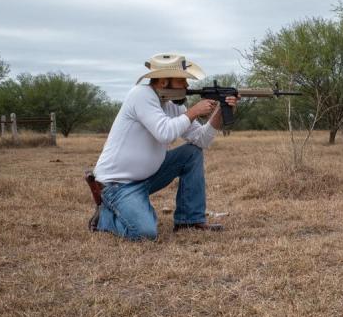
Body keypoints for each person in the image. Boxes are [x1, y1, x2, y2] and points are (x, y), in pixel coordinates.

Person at [90, 53, 238, 240]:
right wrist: (193, 111)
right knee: (144, 233)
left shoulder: (173, 104)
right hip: (119, 184)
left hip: (147, 176)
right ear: (162, 82)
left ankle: (189, 220)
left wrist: (220, 111)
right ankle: (104, 216)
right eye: (181, 81)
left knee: (192, 153)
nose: (186, 86)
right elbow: (164, 132)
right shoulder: (141, 95)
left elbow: (201, 140)